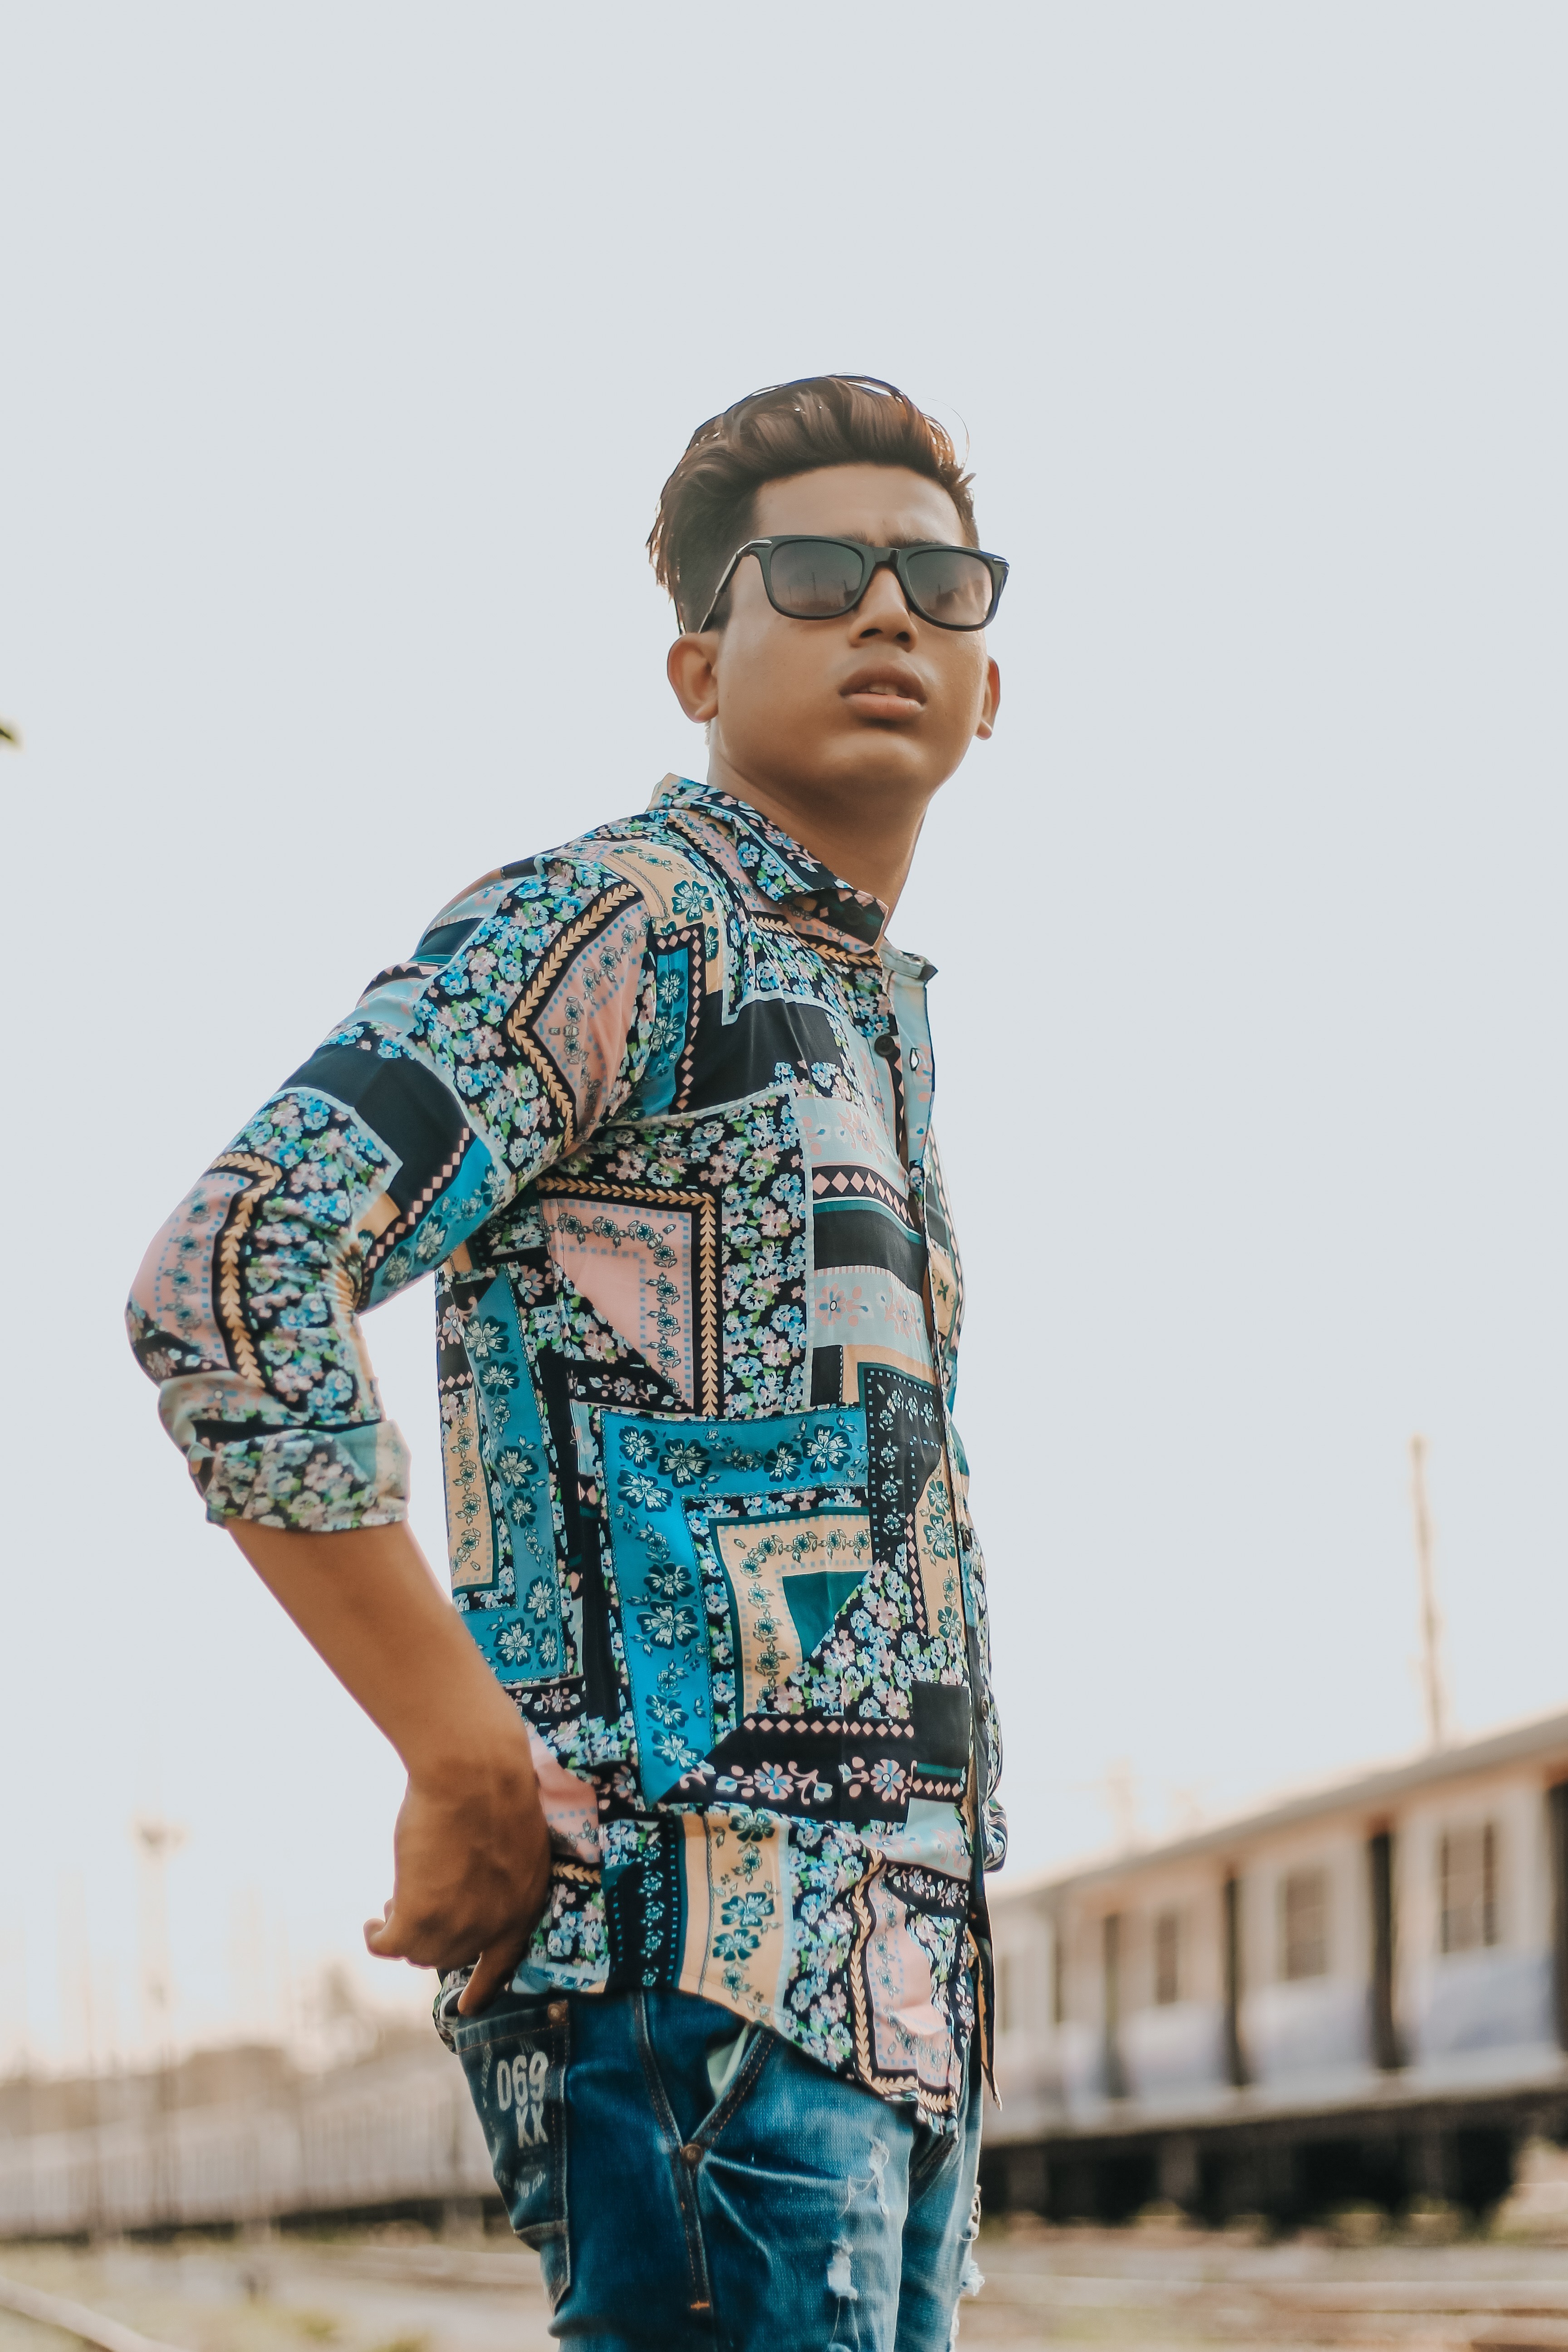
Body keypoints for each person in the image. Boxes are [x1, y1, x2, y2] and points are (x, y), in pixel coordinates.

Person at [128, 375, 1008, 2350]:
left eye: (937, 581)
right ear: (699, 661)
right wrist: (455, 1745)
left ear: (992, 681)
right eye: (816, 573)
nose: (886, 608)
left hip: (897, 1999)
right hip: (697, 1987)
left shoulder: (859, 1013)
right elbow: (236, 1264)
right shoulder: (619, 924)